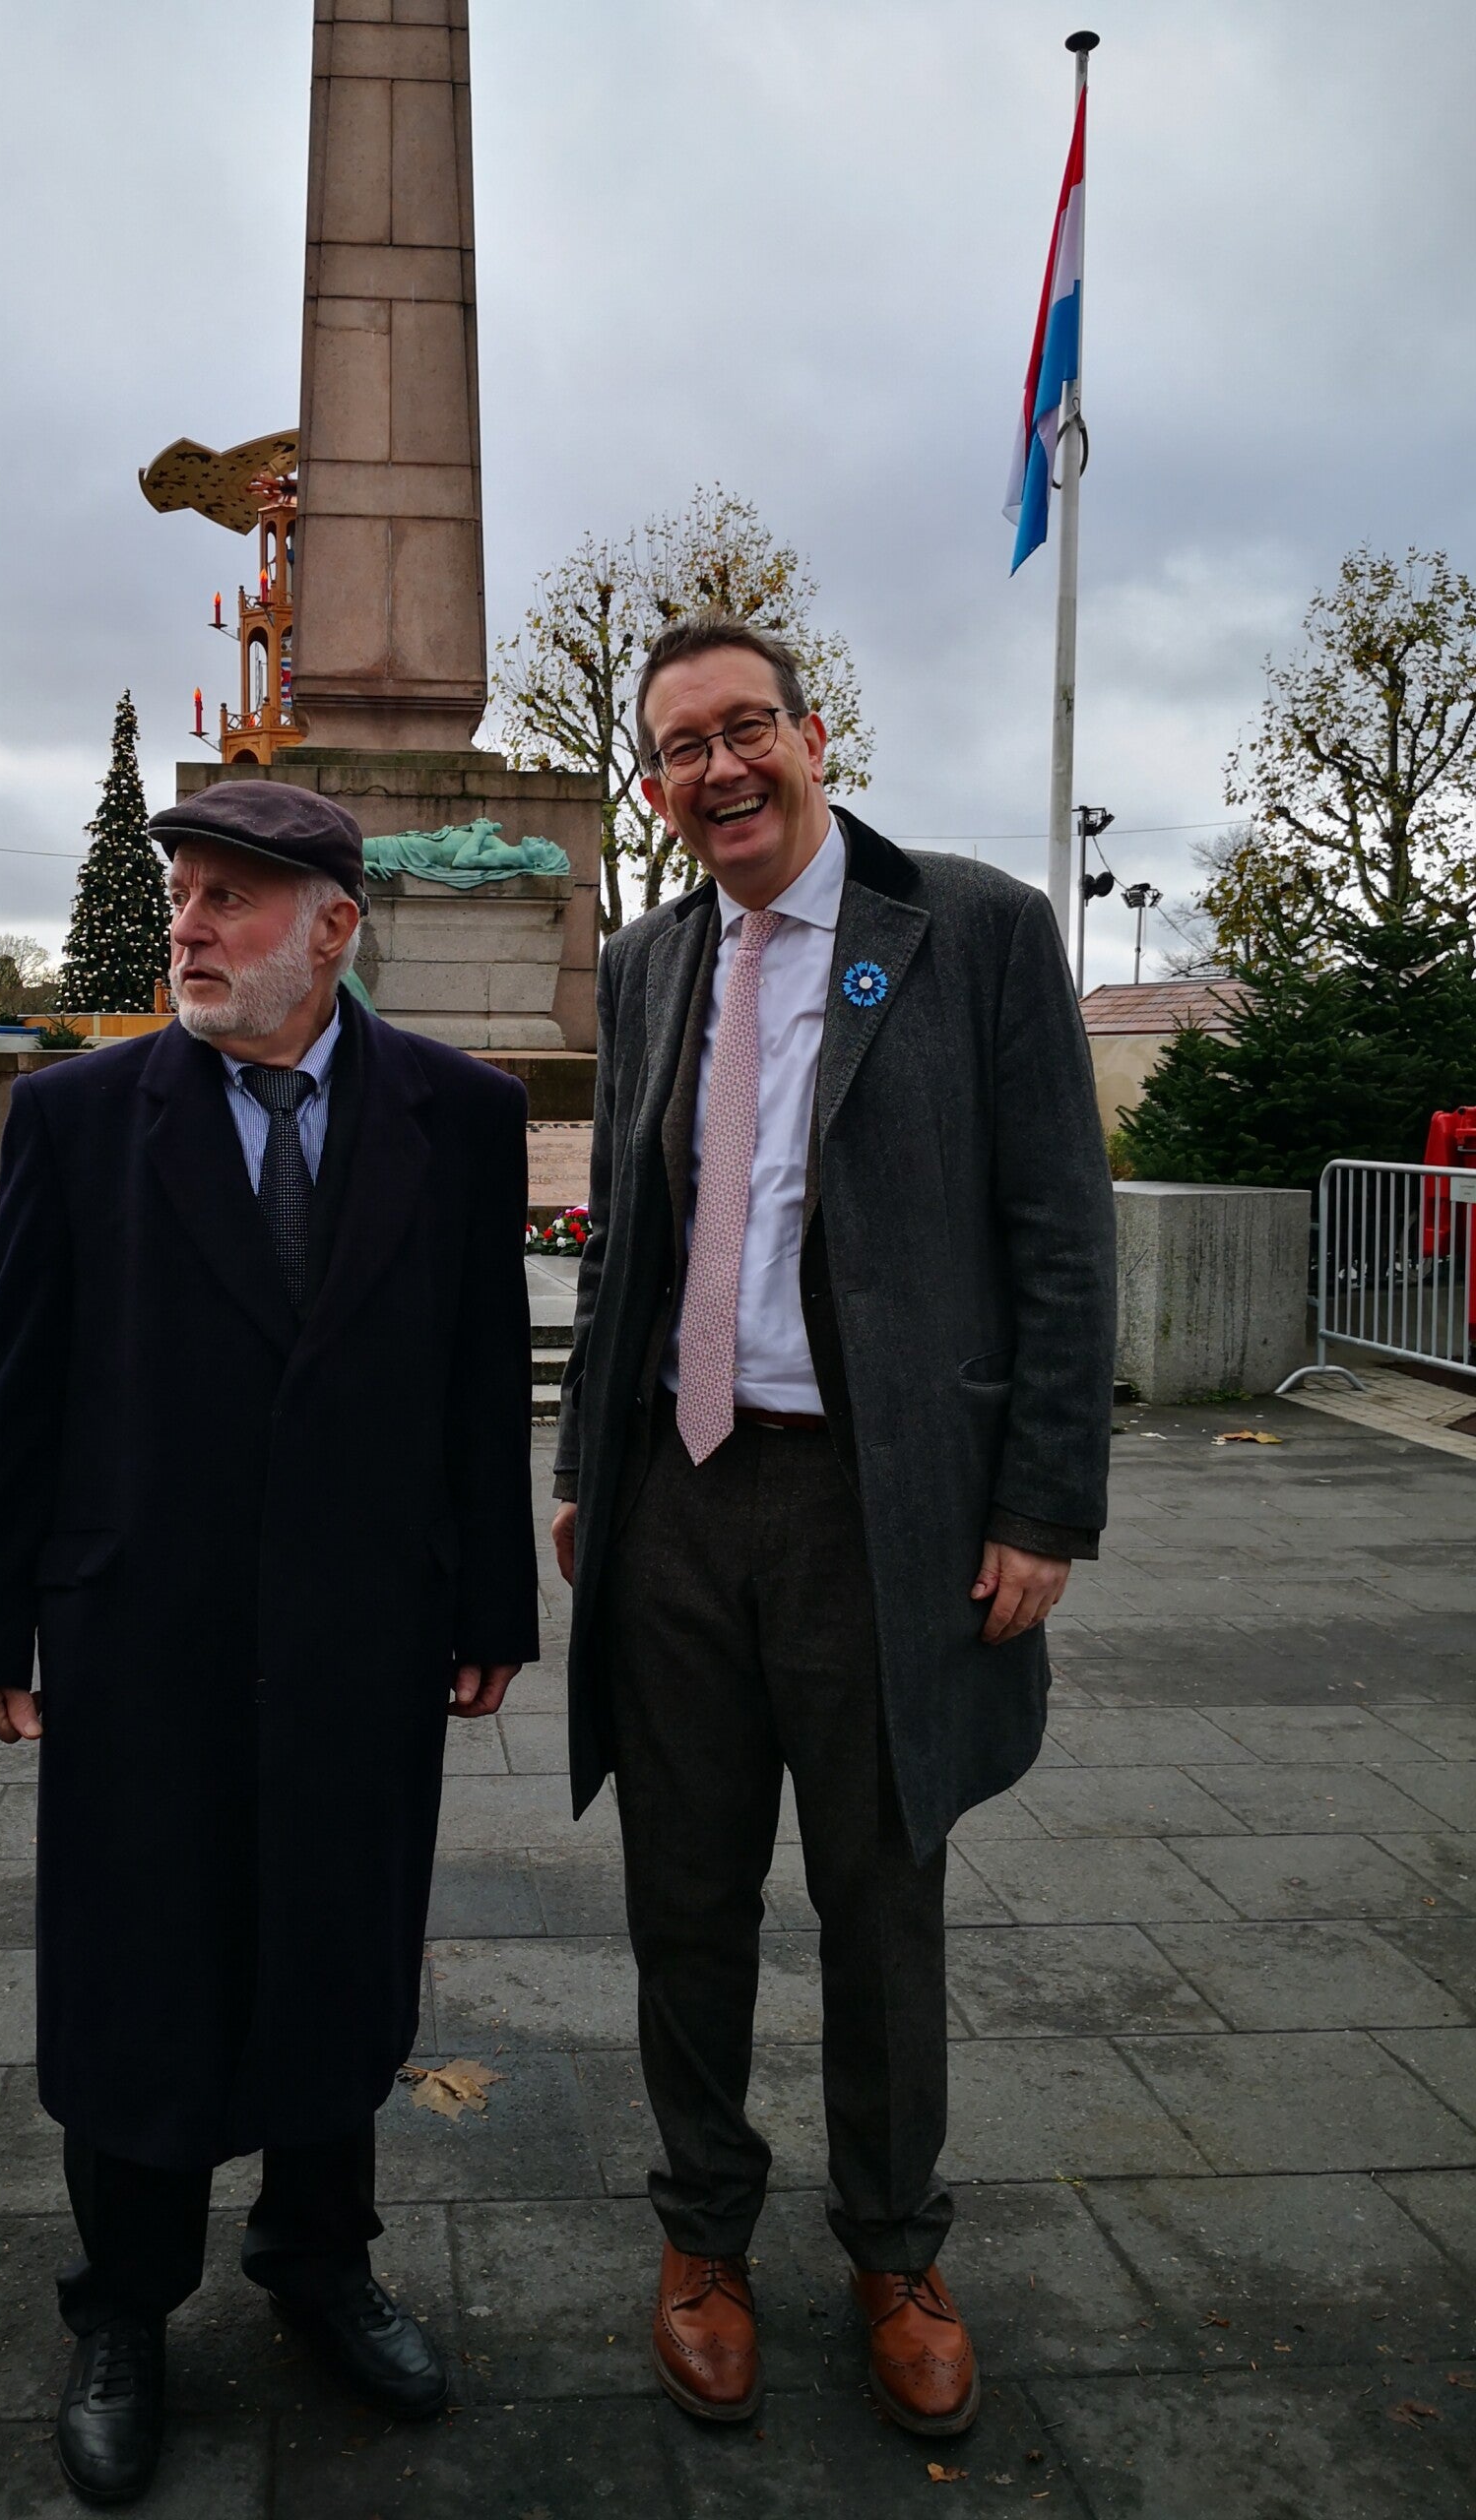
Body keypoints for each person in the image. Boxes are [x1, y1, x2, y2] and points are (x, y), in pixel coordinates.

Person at [0, 783, 538, 2505]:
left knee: (339, 1943)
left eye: (229, 900)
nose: (186, 926)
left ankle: (321, 2263)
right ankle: (123, 2306)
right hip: (142, 1627)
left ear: (334, 928)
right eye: (182, 893)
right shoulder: (80, 1117)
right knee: (144, 1961)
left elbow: (481, 1371)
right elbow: (17, 1385)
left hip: (364, 1626)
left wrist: (491, 1597)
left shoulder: (461, 1113)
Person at [552, 615, 1116, 2438]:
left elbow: (1060, 1232)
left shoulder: (973, 929)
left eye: (745, 730)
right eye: (678, 748)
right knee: (683, 1899)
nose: (717, 769)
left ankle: (892, 2246)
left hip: (880, 1510)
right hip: (676, 1500)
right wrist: (583, 1467)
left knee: (882, 1903)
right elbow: (626, 1240)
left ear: (811, 736)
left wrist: (1042, 1501)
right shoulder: (647, 960)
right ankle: (703, 2235)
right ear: (655, 787)